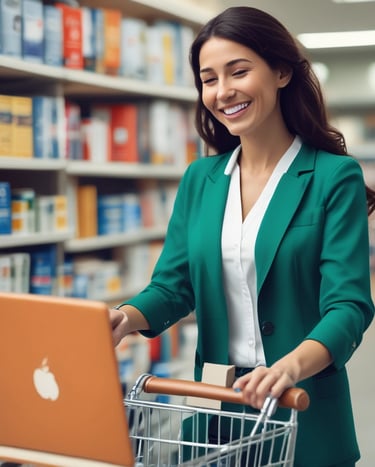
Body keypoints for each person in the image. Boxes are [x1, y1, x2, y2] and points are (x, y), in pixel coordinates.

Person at [110, 6, 375, 466]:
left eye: (238, 71)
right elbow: (174, 286)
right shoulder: (201, 179)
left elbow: (349, 305)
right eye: (208, 79)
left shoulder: (333, 176)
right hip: (214, 405)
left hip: (300, 400)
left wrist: (290, 366)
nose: (223, 91)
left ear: (281, 72)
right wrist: (124, 318)